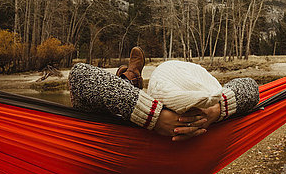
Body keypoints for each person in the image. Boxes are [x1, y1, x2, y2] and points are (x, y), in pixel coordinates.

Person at [68, 47, 259, 141]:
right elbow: (251, 87)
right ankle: (130, 79)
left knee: (114, 92)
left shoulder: (130, 123)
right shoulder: (209, 119)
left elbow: (79, 75)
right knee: (115, 91)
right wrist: (216, 111)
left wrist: (153, 117)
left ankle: (130, 80)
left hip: (122, 131)